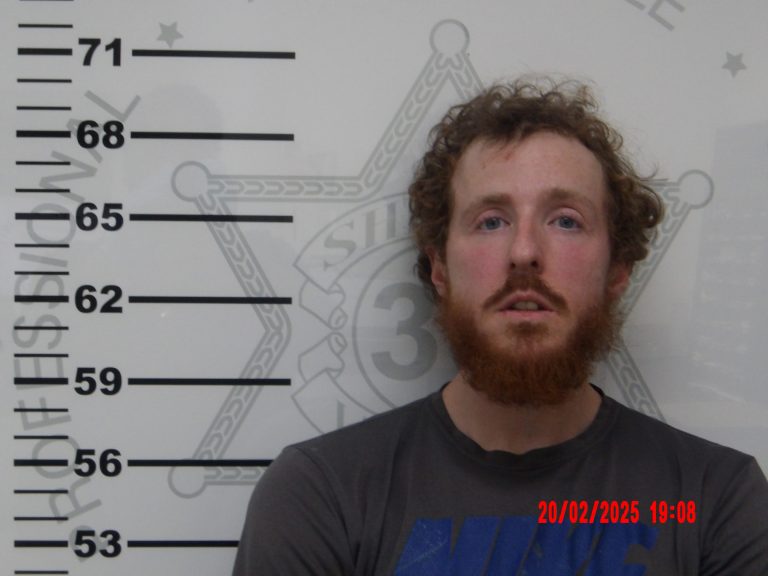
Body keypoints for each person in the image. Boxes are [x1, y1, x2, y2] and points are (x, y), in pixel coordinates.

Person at [232, 78, 768, 575]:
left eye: (566, 220)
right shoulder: (323, 493)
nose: (525, 251)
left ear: (617, 270)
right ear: (439, 267)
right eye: (491, 221)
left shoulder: (715, 500)